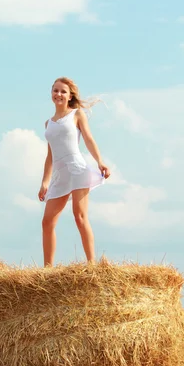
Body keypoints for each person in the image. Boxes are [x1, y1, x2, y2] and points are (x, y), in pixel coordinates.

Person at [38, 77, 110, 266]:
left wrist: (100, 162)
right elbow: (50, 155)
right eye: (55, 90)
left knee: (79, 216)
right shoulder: (49, 123)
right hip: (60, 175)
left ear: (70, 96)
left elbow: (88, 139)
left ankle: (91, 265)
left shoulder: (76, 115)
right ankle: (47, 270)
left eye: (63, 91)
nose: (58, 94)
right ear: (51, 94)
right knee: (47, 222)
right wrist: (45, 182)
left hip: (77, 170)